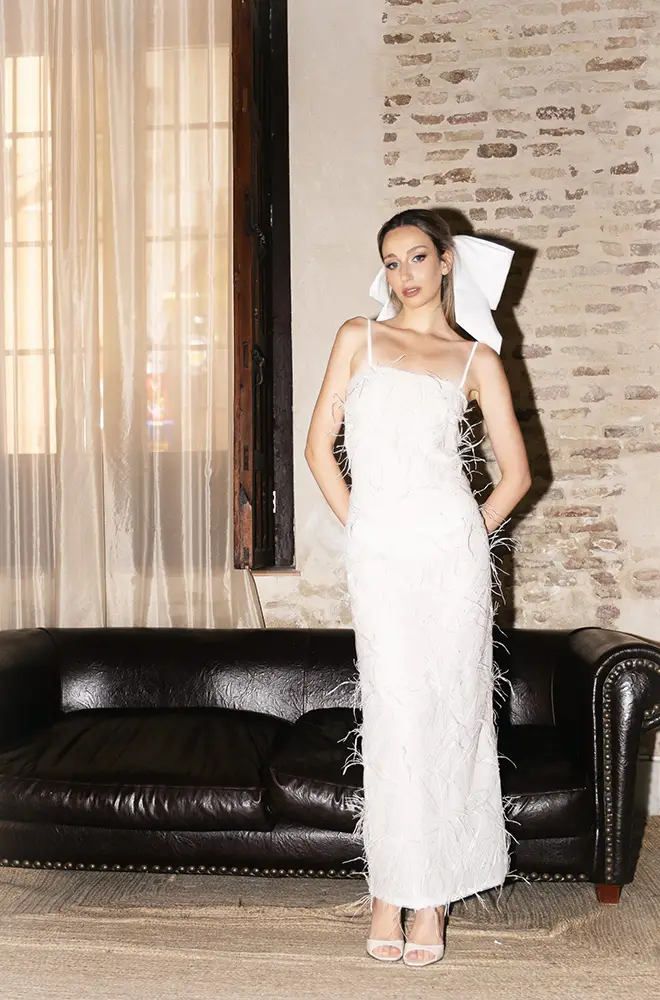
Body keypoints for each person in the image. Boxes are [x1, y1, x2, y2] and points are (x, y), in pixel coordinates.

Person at [304, 208, 531, 968]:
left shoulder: (476, 361)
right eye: (391, 261)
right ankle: (388, 891)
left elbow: (517, 475)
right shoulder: (357, 338)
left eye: (417, 258)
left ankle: (431, 898)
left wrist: (468, 537)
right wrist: (363, 530)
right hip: (383, 560)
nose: (404, 274)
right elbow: (319, 450)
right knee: (396, 715)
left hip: (452, 564)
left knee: (452, 714)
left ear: (445, 262)